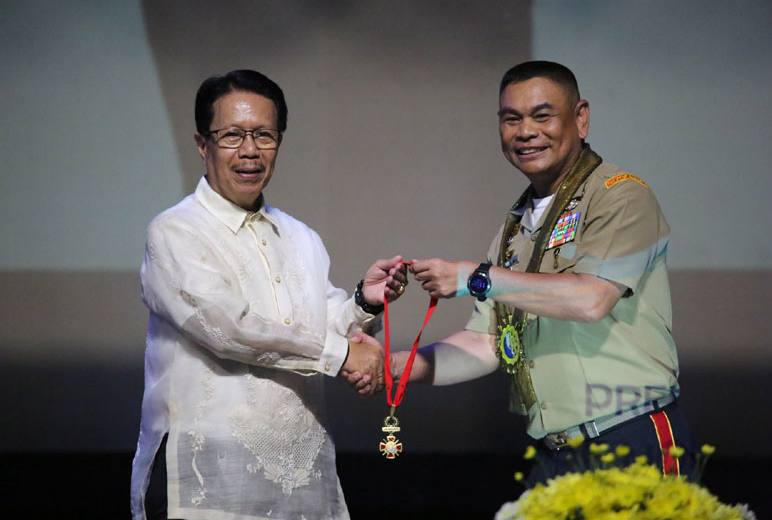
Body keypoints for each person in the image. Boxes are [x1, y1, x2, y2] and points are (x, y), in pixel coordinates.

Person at [356, 61, 694, 483]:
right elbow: (488, 343)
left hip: (631, 435)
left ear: (581, 118)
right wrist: (396, 366)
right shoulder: (514, 229)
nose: (525, 131)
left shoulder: (620, 196)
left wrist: (474, 277)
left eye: (542, 115)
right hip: (554, 454)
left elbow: (592, 299)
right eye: (511, 119)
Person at [130, 69, 407, 519]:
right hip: (209, 479)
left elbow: (315, 324)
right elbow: (227, 329)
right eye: (232, 135)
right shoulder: (175, 231)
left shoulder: (301, 237)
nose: (250, 151)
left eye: (264, 135)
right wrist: (341, 355)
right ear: (202, 145)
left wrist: (362, 303)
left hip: (302, 480)